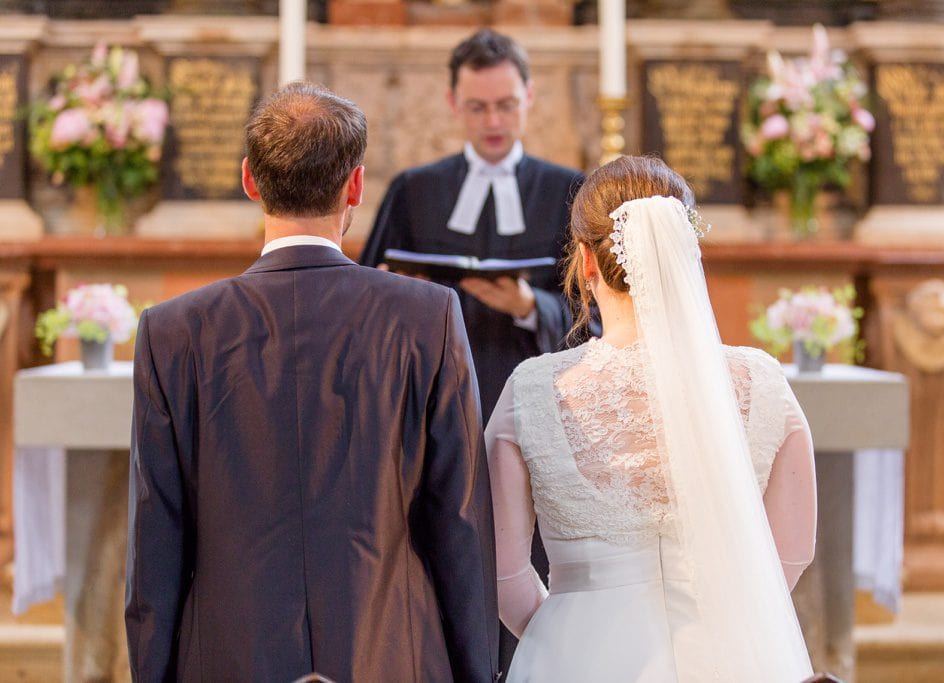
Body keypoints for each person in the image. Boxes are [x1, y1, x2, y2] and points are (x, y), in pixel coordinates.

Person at [125, 82, 499, 682]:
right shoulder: (427, 316)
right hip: (392, 654)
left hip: (226, 658)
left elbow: (156, 541)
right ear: (355, 185)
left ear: (250, 180)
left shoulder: (172, 331)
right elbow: (460, 522)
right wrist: (477, 672)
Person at [485, 156, 818, 681]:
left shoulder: (532, 390)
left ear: (586, 261)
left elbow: (503, 574)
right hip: (731, 654)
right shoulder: (762, 384)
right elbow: (791, 555)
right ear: (687, 251)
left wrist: (568, 630)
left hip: (576, 658)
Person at [359, 28, 585, 422]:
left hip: (539, 400)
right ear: (453, 102)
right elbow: (365, 298)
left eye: (507, 104)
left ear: (530, 96)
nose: (493, 121)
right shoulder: (413, 190)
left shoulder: (569, 191)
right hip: (433, 399)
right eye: (477, 107)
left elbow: (598, 311)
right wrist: (402, 294)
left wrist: (532, 307)